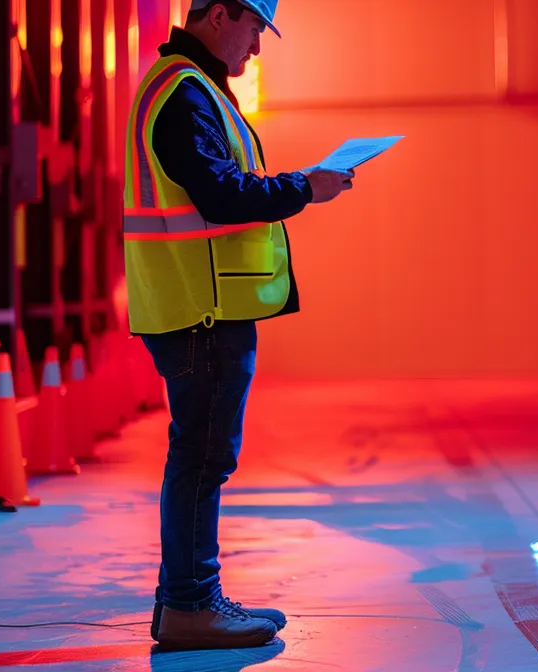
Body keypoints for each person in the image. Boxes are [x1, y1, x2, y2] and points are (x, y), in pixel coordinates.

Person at [121, 0, 354, 651]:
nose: (256, 49)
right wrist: (305, 186)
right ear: (221, 14)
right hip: (201, 309)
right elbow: (221, 195)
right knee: (200, 458)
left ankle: (191, 598)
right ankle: (191, 605)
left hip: (199, 304)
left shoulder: (189, 88)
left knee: (200, 456)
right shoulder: (184, 93)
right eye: (255, 29)